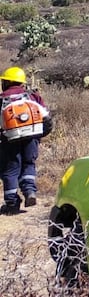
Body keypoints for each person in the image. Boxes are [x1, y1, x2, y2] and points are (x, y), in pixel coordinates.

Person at [1, 66, 51, 214]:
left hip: (9, 139)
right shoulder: (32, 96)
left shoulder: (1, 99)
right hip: (32, 137)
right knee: (29, 163)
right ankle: (30, 191)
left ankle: (11, 204)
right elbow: (47, 118)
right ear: (22, 83)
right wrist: (39, 136)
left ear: (6, 82)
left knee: (10, 170)